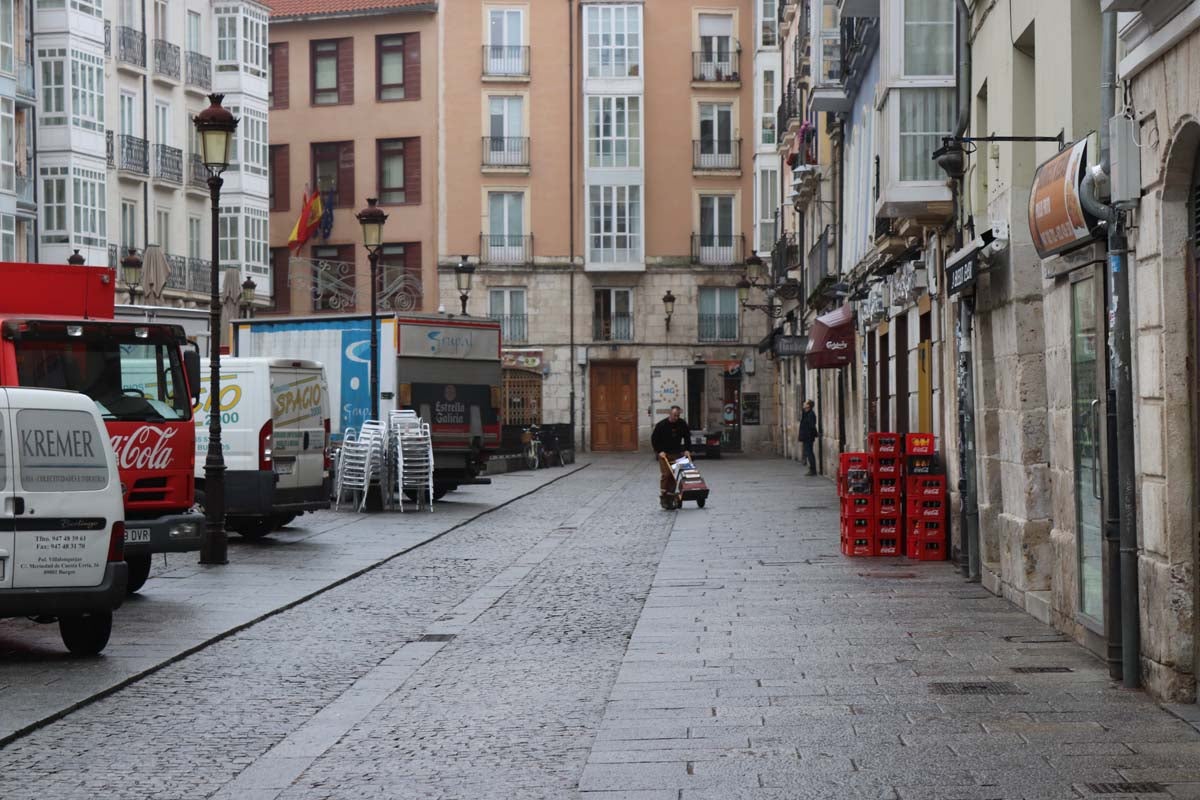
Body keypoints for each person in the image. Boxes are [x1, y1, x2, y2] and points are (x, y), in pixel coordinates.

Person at [652, 405, 691, 495]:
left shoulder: (682, 424)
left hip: (677, 452)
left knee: (675, 474)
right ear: (670, 414)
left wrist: (687, 449)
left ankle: (671, 492)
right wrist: (659, 451)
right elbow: (654, 439)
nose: (676, 418)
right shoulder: (661, 425)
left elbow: (687, 437)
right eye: (674, 415)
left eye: (678, 415)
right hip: (664, 453)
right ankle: (664, 492)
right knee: (666, 474)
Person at [798, 399, 818, 475]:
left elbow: (811, 426)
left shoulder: (811, 414)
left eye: (805, 403)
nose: (804, 403)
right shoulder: (806, 413)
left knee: (809, 453)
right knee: (808, 452)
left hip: (808, 437)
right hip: (806, 436)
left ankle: (813, 470)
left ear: (808, 406)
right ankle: (812, 469)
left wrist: (810, 434)